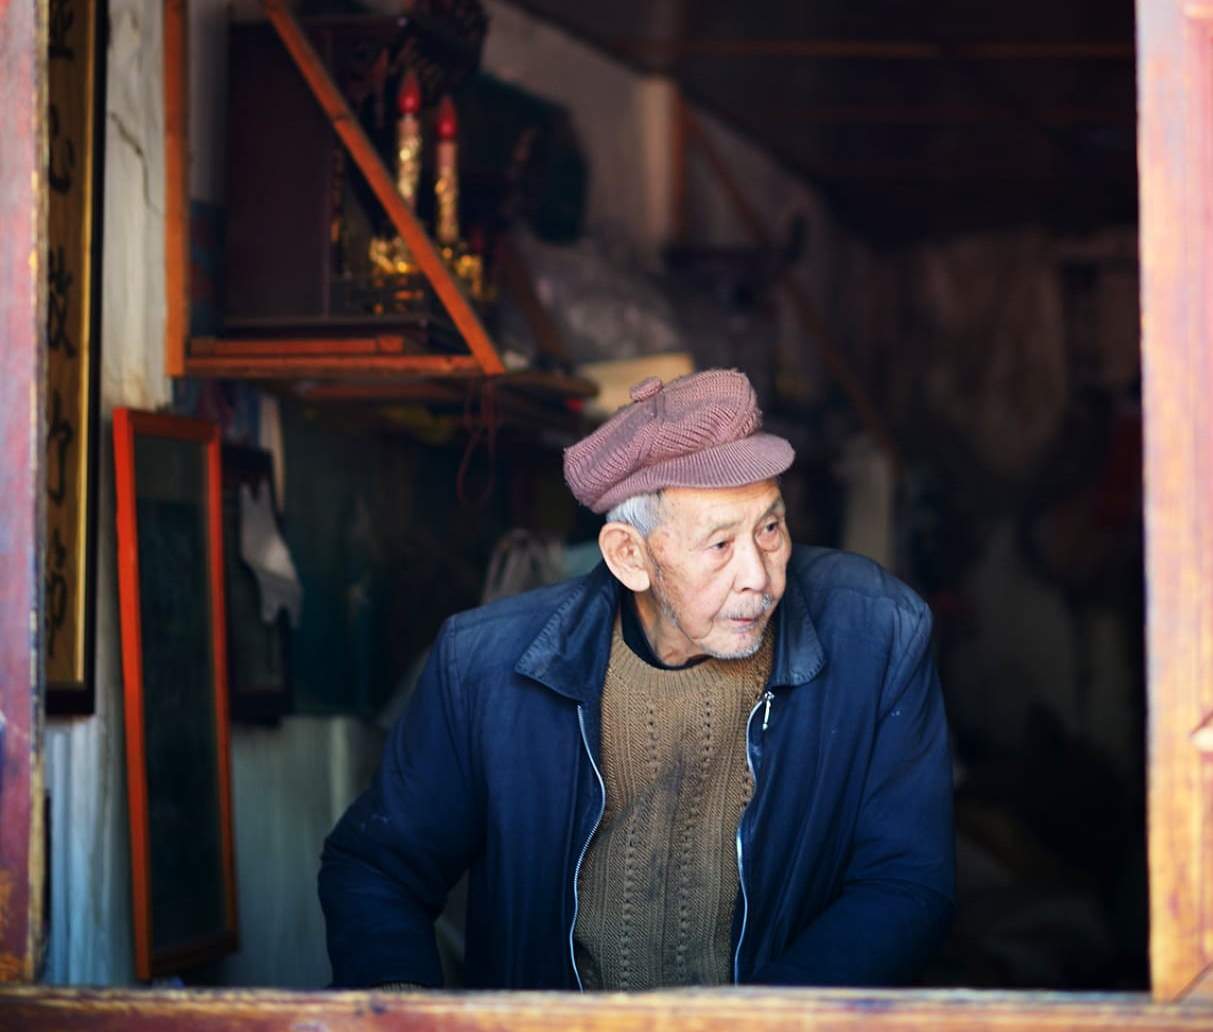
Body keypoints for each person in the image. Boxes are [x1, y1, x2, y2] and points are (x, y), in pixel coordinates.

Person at [319, 368, 954, 990]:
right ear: (630, 556)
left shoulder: (878, 635)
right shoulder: (485, 667)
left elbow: (905, 881)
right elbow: (378, 868)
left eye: (769, 527)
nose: (758, 577)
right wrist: (402, 1023)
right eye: (718, 545)